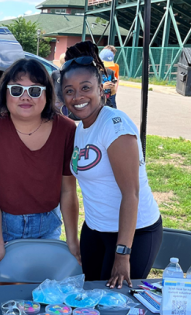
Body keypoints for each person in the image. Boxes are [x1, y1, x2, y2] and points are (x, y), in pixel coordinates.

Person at [59, 41, 162, 288]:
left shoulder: (115, 125)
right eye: (69, 91)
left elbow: (131, 193)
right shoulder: (81, 128)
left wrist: (122, 253)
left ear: (102, 90)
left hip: (134, 234)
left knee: (115, 307)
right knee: (90, 302)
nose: (78, 97)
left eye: (86, 88)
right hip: (95, 230)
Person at [0, 58, 79, 271]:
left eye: (35, 90)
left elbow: (68, 191)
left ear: (47, 93)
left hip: (48, 227)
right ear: (5, 93)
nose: (25, 97)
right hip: (4, 228)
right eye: (16, 90)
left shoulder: (67, 130)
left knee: (44, 296)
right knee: (8, 297)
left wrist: (73, 242)